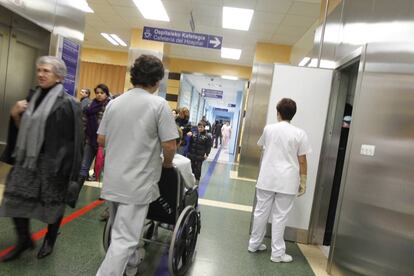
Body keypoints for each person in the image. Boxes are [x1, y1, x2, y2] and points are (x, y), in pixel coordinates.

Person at [96, 54, 178, 276]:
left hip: (113, 178)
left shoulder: (115, 102)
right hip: (137, 181)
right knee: (125, 238)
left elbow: (101, 139)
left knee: (119, 229)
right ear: (156, 80)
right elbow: (170, 145)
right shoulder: (159, 105)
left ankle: (131, 266)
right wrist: (167, 165)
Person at [0, 56, 83, 261]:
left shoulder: (69, 104)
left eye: (46, 71)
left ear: (59, 76)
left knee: (52, 202)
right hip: (28, 158)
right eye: (39, 70)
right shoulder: (31, 98)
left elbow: (75, 140)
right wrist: (15, 114)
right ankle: (24, 240)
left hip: (53, 162)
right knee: (14, 195)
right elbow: (24, 132)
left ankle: (50, 239)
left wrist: (70, 171)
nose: (40, 74)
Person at [248, 98, 311, 263]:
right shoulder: (300, 133)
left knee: (261, 212)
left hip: (267, 177)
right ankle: (277, 254)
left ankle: (254, 244)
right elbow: (302, 160)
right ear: (293, 115)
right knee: (280, 216)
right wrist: (303, 180)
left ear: (278, 113)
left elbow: (264, 148)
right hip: (287, 180)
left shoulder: (269, 129)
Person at [79, 83, 110, 182]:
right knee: (83, 167)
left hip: (105, 143)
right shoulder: (90, 105)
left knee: (104, 169)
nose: (99, 95)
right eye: (97, 93)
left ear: (106, 94)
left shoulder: (111, 106)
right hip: (90, 140)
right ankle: (75, 193)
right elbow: (84, 123)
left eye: (102, 93)